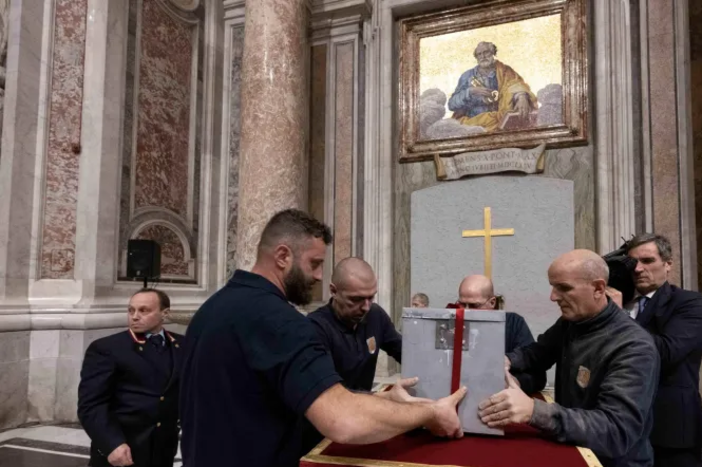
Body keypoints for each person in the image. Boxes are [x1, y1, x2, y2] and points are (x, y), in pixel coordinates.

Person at [179, 209, 466, 467]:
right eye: (314, 263)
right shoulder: (282, 322)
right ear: (282, 256)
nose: (318, 276)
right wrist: (429, 413)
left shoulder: (212, 308)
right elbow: (343, 420)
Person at [478, 250, 659, 467]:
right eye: (553, 287)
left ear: (598, 288)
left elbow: (616, 432)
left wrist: (534, 410)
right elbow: (536, 354)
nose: (553, 297)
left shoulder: (634, 346)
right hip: (574, 452)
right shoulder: (572, 323)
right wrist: (507, 361)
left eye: (563, 288)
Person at [78, 289, 184, 467]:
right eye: (131, 310)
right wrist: (111, 444)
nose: (135, 316)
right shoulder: (107, 348)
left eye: (144, 310)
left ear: (165, 313)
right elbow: (91, 405)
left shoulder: (183, 345)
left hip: (163, 449)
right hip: (122, 448)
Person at [623, 233, 702, 467]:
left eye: (647, 261)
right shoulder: (618, 303)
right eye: (632, 263)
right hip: (622, 427)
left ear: (668, 265)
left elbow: (667, 352)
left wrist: (616, 318)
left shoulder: (690, 303)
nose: (638, 269)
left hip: (671, 430)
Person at [307, 257, 402, 391]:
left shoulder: (376, 315)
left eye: (371, 297)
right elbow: (326, 393)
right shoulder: (315, 328)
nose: (366, 307)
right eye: (357, 299)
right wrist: (383, 398)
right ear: (334, 291)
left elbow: (405, 352)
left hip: (366, 405)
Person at [454, 274, 546, 394]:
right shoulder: (451, 324)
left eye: (473, 306)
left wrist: (514, 383)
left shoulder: (513, 324)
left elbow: (537, 376)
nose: (465, 311)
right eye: (461, 304)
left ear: (492, 302)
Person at [448, 41, 536, 132]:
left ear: (493, 53)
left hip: (502, 121)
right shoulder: (467, 76)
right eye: (479, 54)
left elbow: (515, 84)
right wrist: (470, 91)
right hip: (473, 124)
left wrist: (521, 96)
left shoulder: (504, 71)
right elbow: (451, 104)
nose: (483, 56)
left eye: (486, 52)